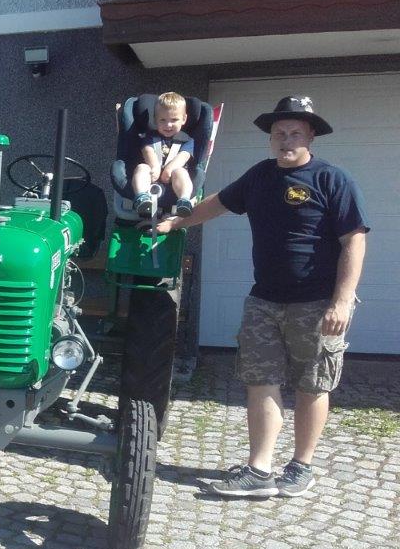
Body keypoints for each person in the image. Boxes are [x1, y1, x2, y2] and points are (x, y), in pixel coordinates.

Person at [153, 95, 369, 498]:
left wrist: (343, 300)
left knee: (312, 385)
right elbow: (217, 204)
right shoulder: (260, 176)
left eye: (295, 133)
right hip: (264, 301)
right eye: (279, 133)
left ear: (311, 138)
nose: (285, 140)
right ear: (271, 139)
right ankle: (260, 469)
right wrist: (178, 221)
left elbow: (353, 241)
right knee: (260, 381)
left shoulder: (331, 180)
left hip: (319, 304)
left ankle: (301, 466)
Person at [132, 91, 195, 219]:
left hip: (173, 178)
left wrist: (168, 170)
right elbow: (147, 150)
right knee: (142, 168)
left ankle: (184, 200)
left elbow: (183, 156)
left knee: (181, 172)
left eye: (174, 120)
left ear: (184, 119)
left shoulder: (187, 140)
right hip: (151, 177)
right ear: (155, 120)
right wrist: (154, 166)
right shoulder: (149, 136)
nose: (168, 125)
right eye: (163, 120)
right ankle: (142, 197)